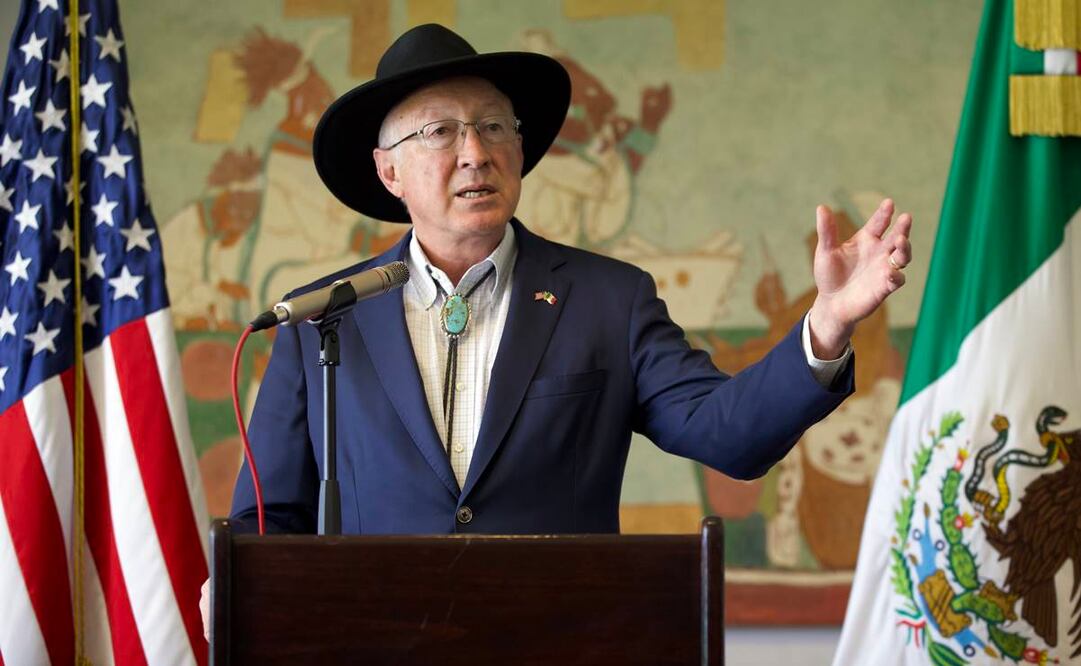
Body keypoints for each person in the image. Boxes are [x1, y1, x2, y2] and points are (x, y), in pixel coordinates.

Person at [200, 23, 912, 636]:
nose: (474, 152)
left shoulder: (608, 299)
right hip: (376, 644)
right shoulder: (321, 317)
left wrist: (827, 321)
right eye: (439, 132)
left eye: (492, 127)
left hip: (562, 640)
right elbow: (271, 521)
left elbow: (730, 435)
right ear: (389, 172)